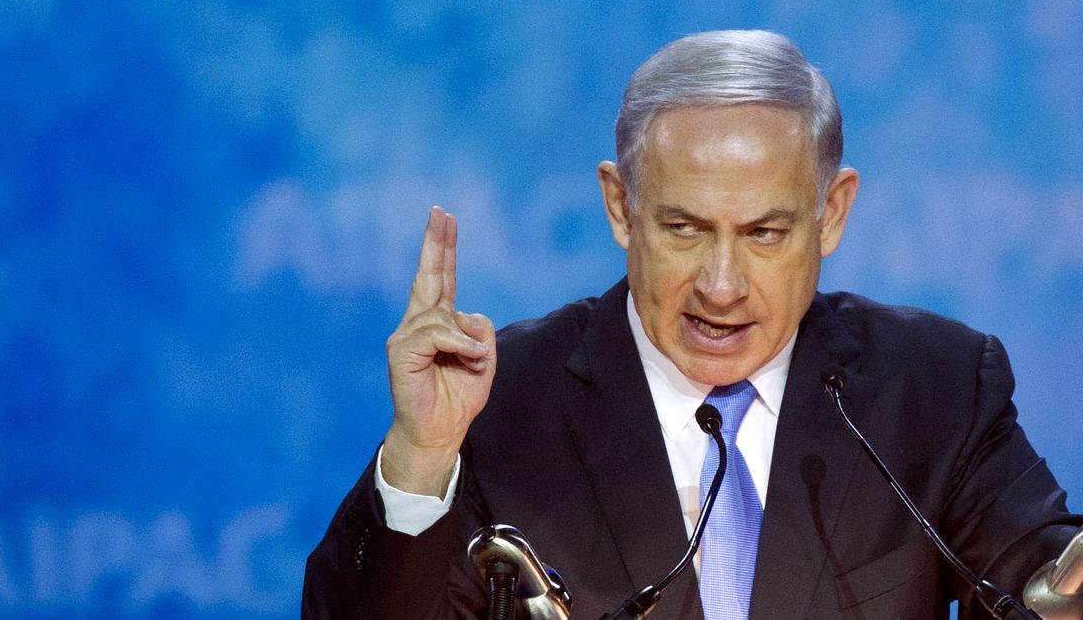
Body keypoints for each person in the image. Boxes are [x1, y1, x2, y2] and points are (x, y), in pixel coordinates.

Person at [302, 30, 1081, 618]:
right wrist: (418, 461)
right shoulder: (499, 405)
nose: (721, 284)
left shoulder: (936, 387)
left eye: (764, 234)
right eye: (683, 229)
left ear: (832, 212)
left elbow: (1043, 586)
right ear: (621, 206)